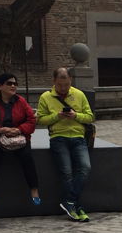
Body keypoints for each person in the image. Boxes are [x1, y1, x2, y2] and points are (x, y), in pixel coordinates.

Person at [37, 67, 96, 222]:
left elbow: (90, 117)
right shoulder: (46, 97)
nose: (63, 88)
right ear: (54, 82)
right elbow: (40, 119)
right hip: (58, 138)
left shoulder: (79, 94)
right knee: (67, 172)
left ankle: (69, 201)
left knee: (85, 168)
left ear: (71, 81)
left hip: (78, 137)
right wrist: (57, 116)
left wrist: (75, 115)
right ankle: (77, 206)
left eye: (66, 85)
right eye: (60, 85)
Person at [0, 72, 40, 209]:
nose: (13, 86)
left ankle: (34, 189)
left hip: (18, 136)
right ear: (0, 86)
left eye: (15, 83)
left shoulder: (21, 101)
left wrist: (19, 129)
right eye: (9, 83)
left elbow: (31, 120)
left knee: (27, 156)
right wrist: (0, 130)